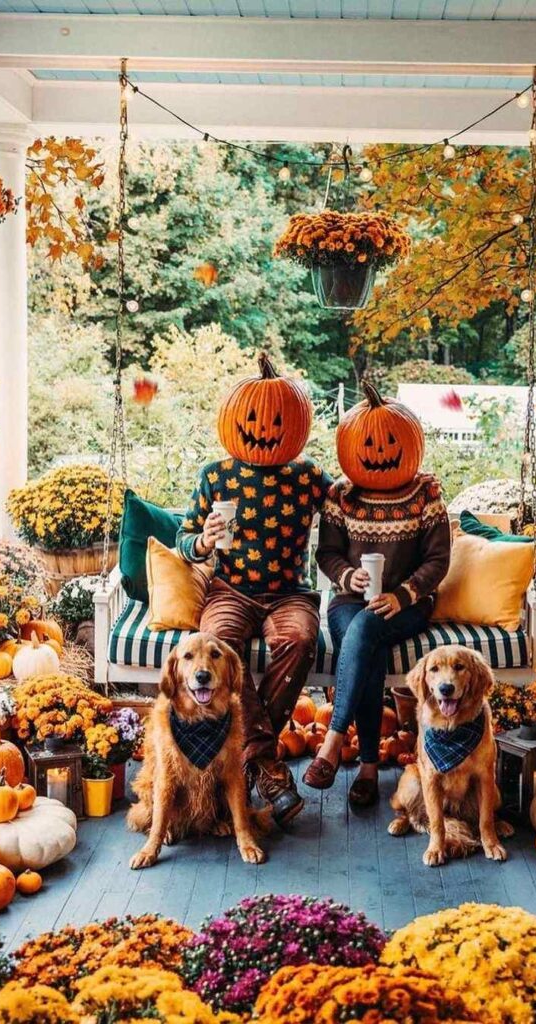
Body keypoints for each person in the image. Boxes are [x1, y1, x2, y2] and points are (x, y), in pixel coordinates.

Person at [177, 353, 332, 826]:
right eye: (253, 418)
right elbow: (184, 539)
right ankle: (267, 766)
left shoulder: (308, 477)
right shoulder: (215, 476)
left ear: (297, 424)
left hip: (288, 592)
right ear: (233, 420)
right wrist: (202, 540)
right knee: (218, 647)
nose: (265, 428)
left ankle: (252, 757)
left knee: (301, 640)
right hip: (231, 590)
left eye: (278, 420)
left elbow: (351, 510)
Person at [304, 382, 451, 808]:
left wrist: (404, 595)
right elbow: (327, 552)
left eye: (389, 441)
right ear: (351, 446)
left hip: (408, 605)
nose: (379, 449)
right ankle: (367, 768)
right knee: (364, 638)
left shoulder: (425, 494)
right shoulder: (342, 496)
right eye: (368, 442)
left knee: (367, 629)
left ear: (409, 442)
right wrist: (346, 575)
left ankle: (333, 741)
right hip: (349, 601)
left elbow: (438, 560)